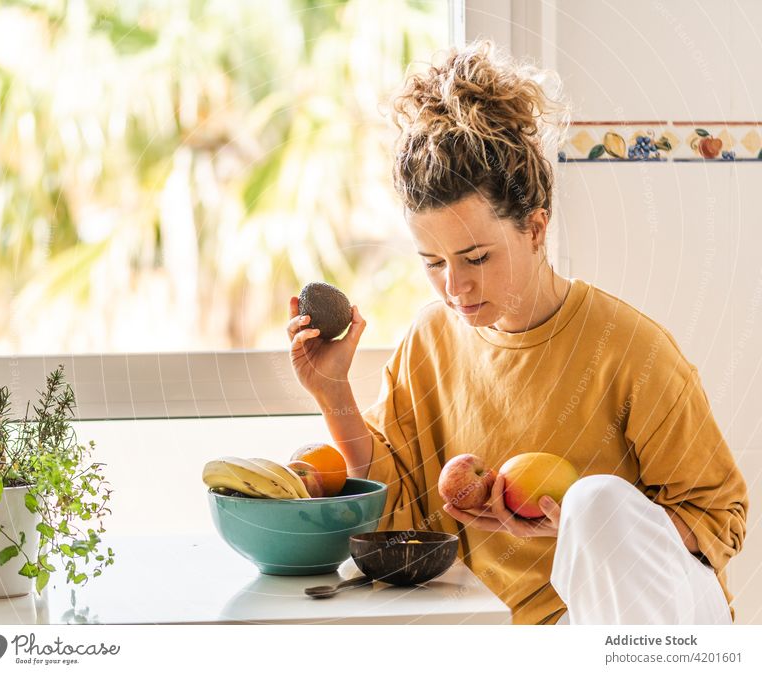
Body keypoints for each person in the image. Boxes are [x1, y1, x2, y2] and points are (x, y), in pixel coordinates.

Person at [286, 41, 748, 625]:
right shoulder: (429, 343)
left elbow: (720, 517)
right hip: (517, 636)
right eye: (433, 262)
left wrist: (581, 528)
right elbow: (394, 508)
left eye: (476, 257)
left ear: (534, 228)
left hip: (648, 624)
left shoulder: (631, 350)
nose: (454, 287)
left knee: (594, 500)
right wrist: (333, 393)